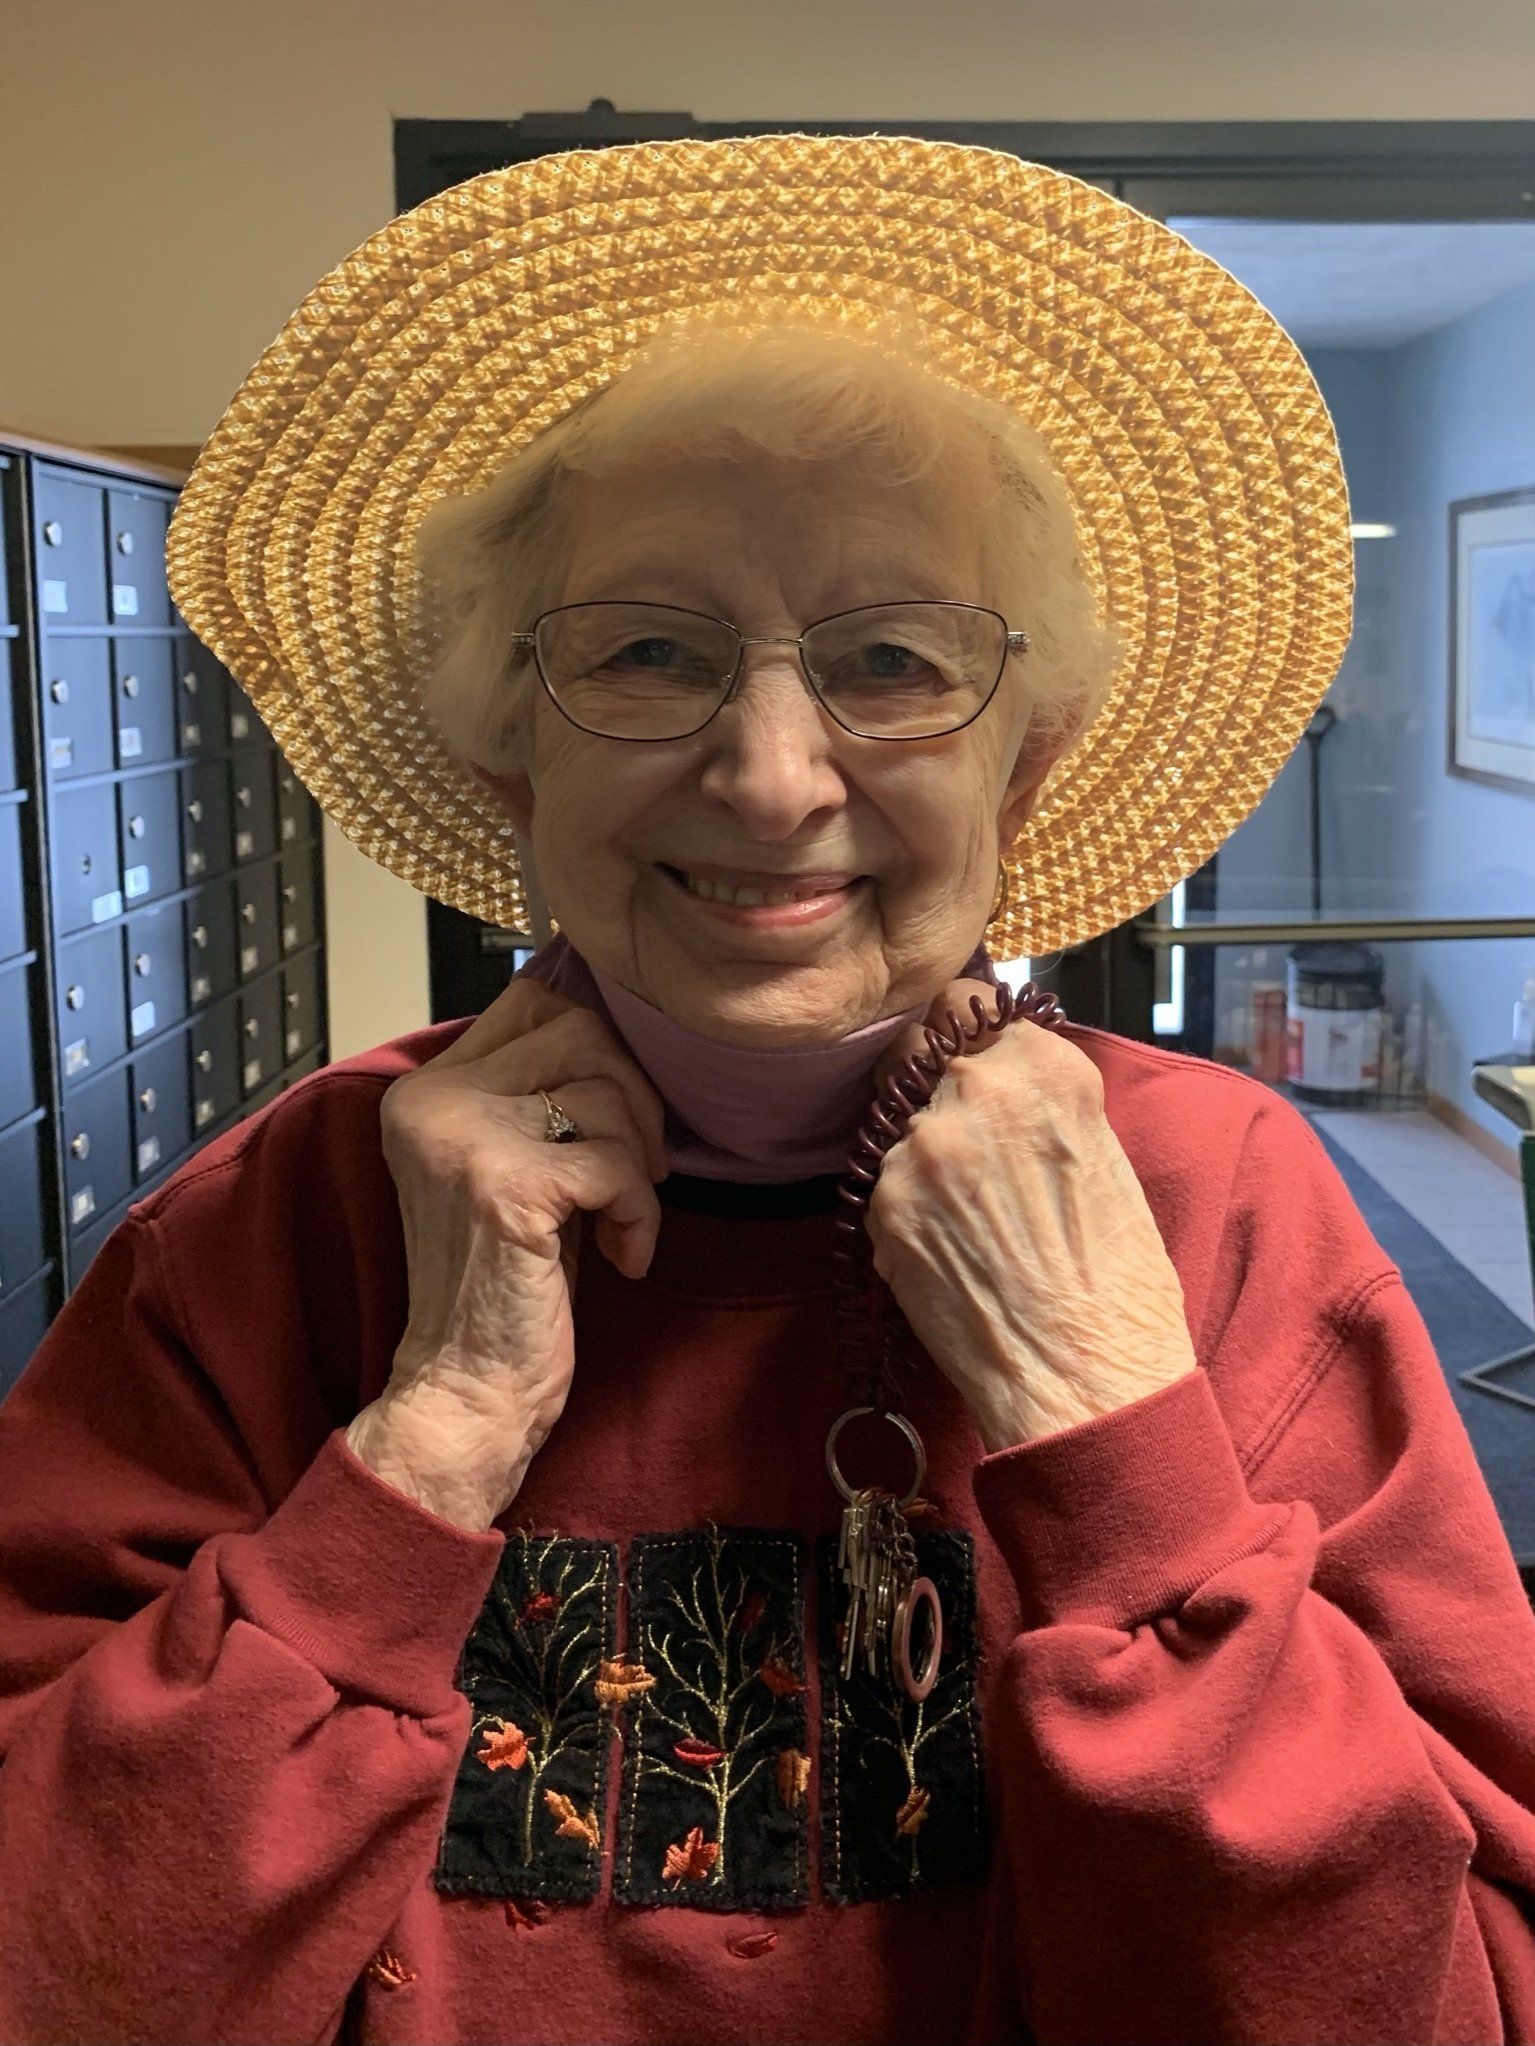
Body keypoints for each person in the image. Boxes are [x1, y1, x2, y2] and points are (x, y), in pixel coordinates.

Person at [2, 131, 1534, 2046]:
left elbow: (1452, 2001)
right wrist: (432, 1437)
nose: (773, 777)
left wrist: (1115, 1440)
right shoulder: (273, 1226)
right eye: (650, 652)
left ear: (1029, 760)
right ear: (505, 753)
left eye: (890, 659)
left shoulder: (1220, 1201)